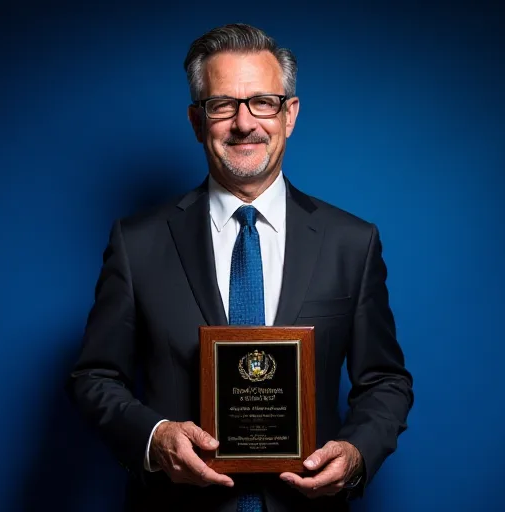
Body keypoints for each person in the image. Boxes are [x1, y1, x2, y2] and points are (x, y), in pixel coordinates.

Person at [67, 23, 414, 512]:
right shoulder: (137, 242)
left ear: (289, 115)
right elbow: (95, 376)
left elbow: (385, 380)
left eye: (263, 102)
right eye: (222, 104)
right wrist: (155, 437)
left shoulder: (351, 242)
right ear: (196, 120)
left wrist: (357, 453)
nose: (244, 123)